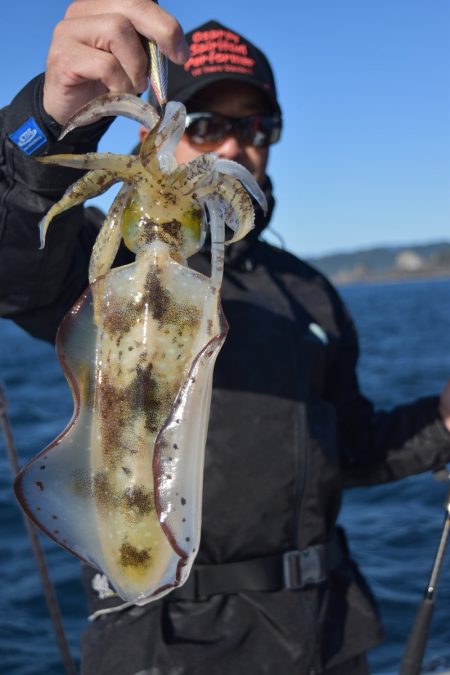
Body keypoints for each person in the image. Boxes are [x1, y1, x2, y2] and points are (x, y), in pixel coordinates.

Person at [1, 2, 450, 674]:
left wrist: (443, 423)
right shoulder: (109, 265)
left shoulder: (310, 294)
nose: (234, 146)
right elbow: (15, 267)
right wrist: (45, 124)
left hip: (321, 636)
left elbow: (348, 447)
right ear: (172, 135)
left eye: (255, 125)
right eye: (207, 125)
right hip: (162, 643)